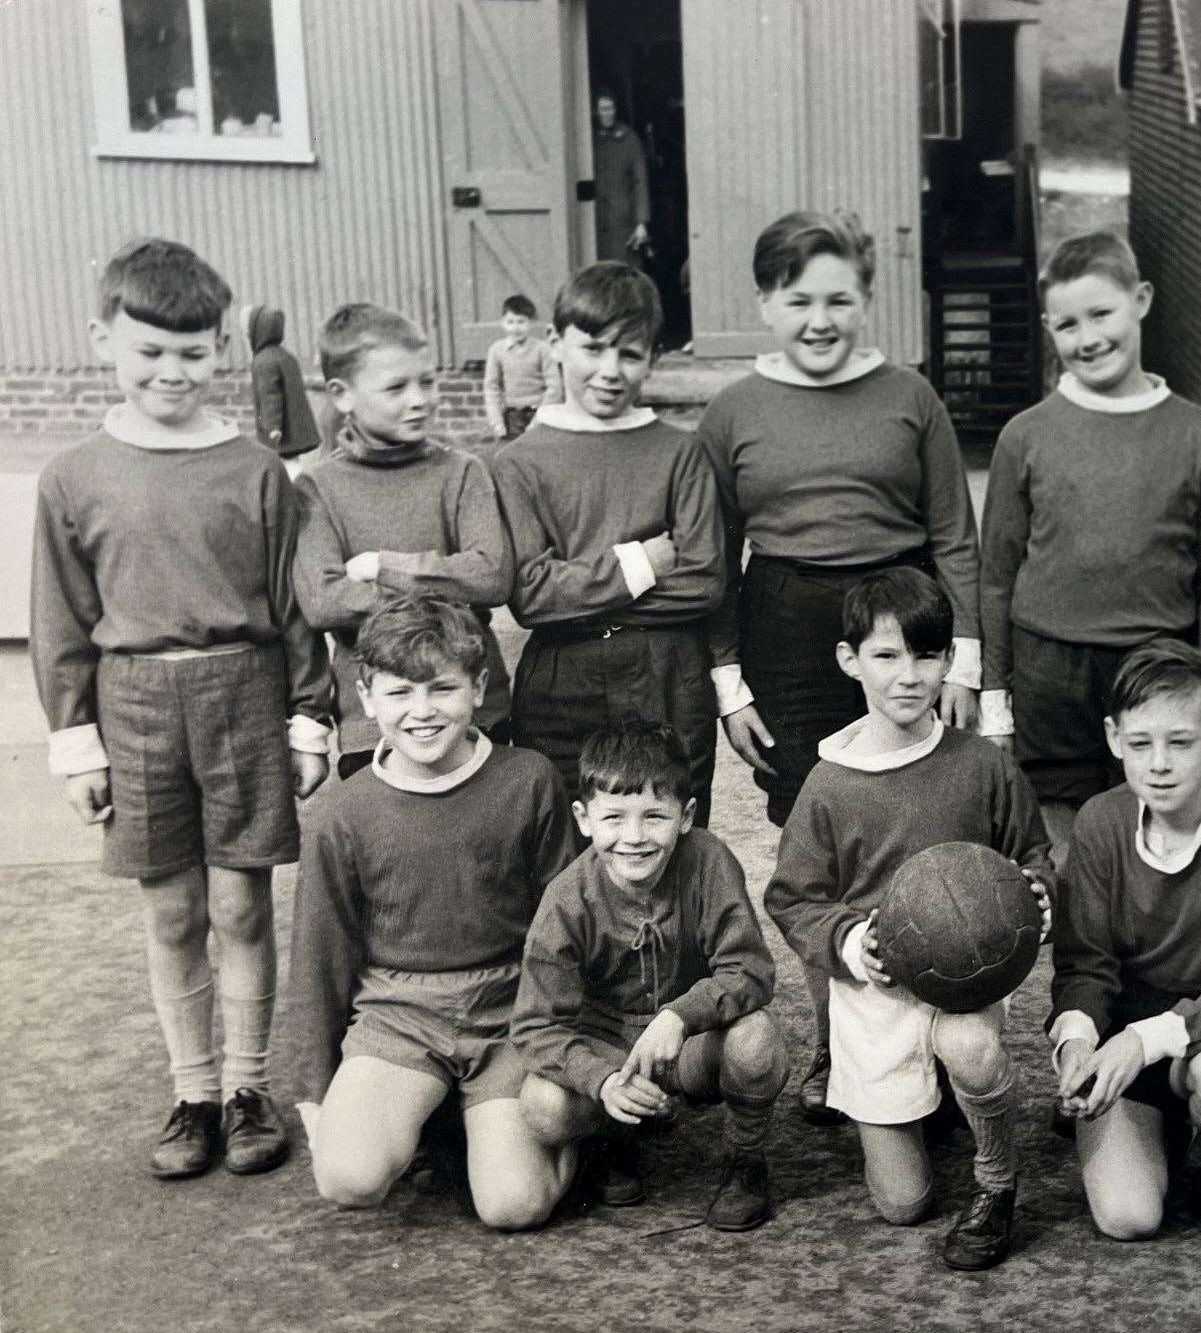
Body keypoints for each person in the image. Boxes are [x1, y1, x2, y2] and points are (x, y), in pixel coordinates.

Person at [30, 237, 332, 1180]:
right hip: (135, 708)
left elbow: (295, 612)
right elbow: (63, 621)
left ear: (223, 350)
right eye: (149, 351)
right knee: (171, 915)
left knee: (242, 906)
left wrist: (308, 718)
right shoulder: (74, 477)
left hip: (242, 694)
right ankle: (191, 1091)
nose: (173, 371)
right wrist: (78, 748)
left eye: (194, 352)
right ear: (103, 341)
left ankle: (248, 1089)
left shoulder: (260, 473)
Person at [699, 210, 983, 1123]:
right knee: (821, 841)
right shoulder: (733, 410)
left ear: (866, 299)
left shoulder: (910, 397)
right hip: (785, 628)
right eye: (797, 300)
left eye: (838, 300)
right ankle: (842, 1051)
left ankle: (929, 1047)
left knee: (915, 822)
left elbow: (955, 538)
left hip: (900, 615)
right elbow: (715, 555)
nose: (819, 319)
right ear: (765, 304)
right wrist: (729, 680)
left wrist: (966, 662)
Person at [764, 568, 1053, 1272]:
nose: (908, 676)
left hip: (966, 982)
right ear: (849, 660)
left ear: (947, 660)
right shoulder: (830, 781)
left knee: (973, 1050)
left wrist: (1037, 893)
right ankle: (931, 1108)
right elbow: (793, 897)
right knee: (902, 1206)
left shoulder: (981, 764)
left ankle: (996, 1179)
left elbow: (1031, 852)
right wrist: (851, 943)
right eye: (886, 656)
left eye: (926, 656)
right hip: (877, 994)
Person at [288, 596, 582, 1230]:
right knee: (348, 1178)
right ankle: (438, 1116)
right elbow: (320, 954)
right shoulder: (346, 809)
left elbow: (568, 923)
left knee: (512, 1207)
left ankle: (548, 1139)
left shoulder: (527, 780)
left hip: (511, 1008)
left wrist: (573, 1042)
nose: (421, 712)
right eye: (398, 693)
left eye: (442, 689)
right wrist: (316, 1093)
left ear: (478, 688)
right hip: (399, 1011)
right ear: (365, 697)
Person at [980, 231, 1201, 851]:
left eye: (1102, 313)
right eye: (1068, 324)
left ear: (1141, 299)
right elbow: (995, 574)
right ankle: (1080, 946)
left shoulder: (1200, 434)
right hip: (1050, 666)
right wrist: (996, 693)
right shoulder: (1025, 435)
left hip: (1160, 658)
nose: (1089, 337)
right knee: (1061, 828)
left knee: (1159, 816)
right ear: (1048, 328)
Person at [1050, 640, 1201, 1253]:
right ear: (1113, 738)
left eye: (1181, 742)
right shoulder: (1101, 822)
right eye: (1140, 743)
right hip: (1120, 1039)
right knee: (1128, 1219)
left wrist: (1145, 1041)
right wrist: (1079, 1042)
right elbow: (1085, 961)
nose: (1159, 764)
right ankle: (1142, 1126)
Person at [512, 721, 788, 1231]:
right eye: (614, 817)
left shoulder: (709, 861)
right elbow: (535, 1026)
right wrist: (602, 1080)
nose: (634, 838)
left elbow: (750, 969)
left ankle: (745, 1158)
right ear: (584, 818)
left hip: (688, 1042)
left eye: (654, 816)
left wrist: (681, 1015)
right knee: (542, 1107)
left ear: (685, 817)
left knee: (756, 1041)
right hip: (608, 1043)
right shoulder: (568, 897)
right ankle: (609, 1138)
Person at [492, 262, 724, 821]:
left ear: (653, 358)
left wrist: (577, 588)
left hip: (667, 673)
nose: (610, 371)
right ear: (555, 344)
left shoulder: (679, 452)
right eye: (593, 349)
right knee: (568, 849)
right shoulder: (519, 462)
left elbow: (707, 580)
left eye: (630, 353)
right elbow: (529, 596)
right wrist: (641, 562)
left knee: (671, 838)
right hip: (561, 678)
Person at [295, 303, 515, 782]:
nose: (420, 399)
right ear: (342, 394)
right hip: (373, 726)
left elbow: (492, 575)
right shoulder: (319, 488)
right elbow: (323, 601)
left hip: (477, 714)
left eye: (427, 381)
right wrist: (449, 592)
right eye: (396, 387)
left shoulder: (463, 472)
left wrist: (384, 567)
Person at [242, 303, 319, 475]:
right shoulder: (285, 355)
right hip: (293, 428)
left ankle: (291, 493)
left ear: (257, 331)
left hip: (280, 431)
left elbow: (270, 395)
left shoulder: (263, 361)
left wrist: (273, 427)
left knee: (284, 466)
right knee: (291, 461)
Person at [482, 292, 563, 441]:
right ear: (502, 322)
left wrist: (539, 418)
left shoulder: (542, 349)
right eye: (510, 322)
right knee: (511, 455)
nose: (515, 327)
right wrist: (497, 423)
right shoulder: (497, 350)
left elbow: (555, 388)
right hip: (512, 416)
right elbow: (491, 387)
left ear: (531, 322)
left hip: (538, 412)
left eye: (521, 322)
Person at [593, 89, 651, 264]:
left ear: (616, 109)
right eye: (603, 109)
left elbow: (640, 182)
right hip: (596, 219)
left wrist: (641, 222)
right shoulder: (589, 139)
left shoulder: (629, 139)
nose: (607, 113)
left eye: (610, 108)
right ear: (596, 111)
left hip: (623, 221)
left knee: (624, 271)